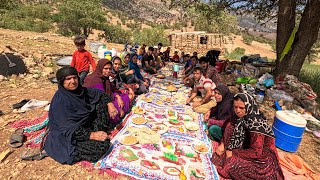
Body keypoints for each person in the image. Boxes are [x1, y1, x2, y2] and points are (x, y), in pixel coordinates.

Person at [44, 66, 117, 165]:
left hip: (84, 125)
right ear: (61, 82)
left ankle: (100, 130)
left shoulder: (81, 91)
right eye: (68, 79)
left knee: (100, 103)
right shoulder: (60, 101)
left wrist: (110, 104)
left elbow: (99, 93)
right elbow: (66, 128)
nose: (73, 81)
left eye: (75, 78)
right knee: (103, 147)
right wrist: (92, 135)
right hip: (70, 135)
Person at [212, 93, 284, 179]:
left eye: (241, 108)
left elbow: (256, 152)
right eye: (235, 107)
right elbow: (228, 130)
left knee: (232, 165)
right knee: (219, 156)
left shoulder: (256, 124)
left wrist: (233, 152)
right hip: (246, 148)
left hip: (262, 158)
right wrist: (223, 144)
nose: (238, 110)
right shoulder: (238, 116)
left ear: (249, 106)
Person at [83, 59, 131, 126]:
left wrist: (118, 97)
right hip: (97, 104)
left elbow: (112, 90)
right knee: (115, 112)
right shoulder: (94, 79)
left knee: (125, 97)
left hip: (108, 99)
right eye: (105, 68)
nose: (108, 71)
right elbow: (101, 96)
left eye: (110, 68)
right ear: (100, 68)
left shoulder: (105, 78)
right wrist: (118, 108)